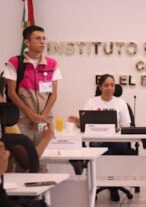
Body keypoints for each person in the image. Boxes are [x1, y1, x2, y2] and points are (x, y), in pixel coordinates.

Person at [68, 74, 131, 202]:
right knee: (101, 147)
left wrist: (118, 130)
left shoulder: (121, 103)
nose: (109, 88)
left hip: (117, 140)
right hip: (97, 139)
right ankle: (110, 183)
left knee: (111, 148)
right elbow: (84, 125)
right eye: (106, 85)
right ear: (100, 87)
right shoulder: (91, 102)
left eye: (112, 85)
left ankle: (112, 185)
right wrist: (77, 122)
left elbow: (126, 126)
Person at [3, 25, 62, 146]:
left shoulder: (52, 64)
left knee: (44, 160)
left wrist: (42, 116)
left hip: (45, 121)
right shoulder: (14, 62)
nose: (42, 42)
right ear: (27, 42)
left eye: (44, 38)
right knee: (21, 160)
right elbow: (11, 93)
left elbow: (54, 94)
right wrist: (31, 115)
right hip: (22, 121)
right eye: (38, 38)